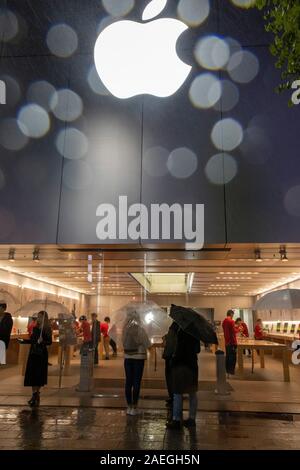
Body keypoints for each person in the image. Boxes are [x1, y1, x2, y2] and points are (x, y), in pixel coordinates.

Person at [167, 326, 201, 429]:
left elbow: (176, 349)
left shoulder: (179, 331)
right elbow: (198, 350)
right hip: (192, 365)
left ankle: (177, 420)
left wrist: (172, 359)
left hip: (180, 364)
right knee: (192, 393)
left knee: (177, 393)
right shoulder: (195, 332)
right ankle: (192, 419)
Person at [122, 311, 151, 416]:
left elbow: (122, 343)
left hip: (128, 358)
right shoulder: (140, 330)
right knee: (136, 382)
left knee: (128, 381)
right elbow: (147, 344)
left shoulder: (125, 330)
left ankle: (129, 406)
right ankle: (135, 407)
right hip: (139, 358)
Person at [21, 311, 52, 407]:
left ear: (44, 318)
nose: (38, 318)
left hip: (41, 354)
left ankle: (36, 394)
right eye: (38, 317)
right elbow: (33, 340)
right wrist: (24, 341)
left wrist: (42, 341)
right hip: (33, 353)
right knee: (32, 374)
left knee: (39, 375)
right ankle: (35, 394)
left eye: (40, 317)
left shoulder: (47, 329)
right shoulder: (35, 328)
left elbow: (49, 342)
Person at [162, 322, 180, 421]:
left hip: (171, 356)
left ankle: (173, 397)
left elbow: (172, 343)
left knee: (170, 377)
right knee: (170, 377)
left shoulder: (175, 328)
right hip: (171, 356)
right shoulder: (175, 328)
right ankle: (172, 396)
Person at [222, 310, 237, 376]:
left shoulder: (224, 321)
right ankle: (231, 371)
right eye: (233, 315)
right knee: (233, 357)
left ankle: (227, 370)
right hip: (232, 342)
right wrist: (239, 329)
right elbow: (233, 332)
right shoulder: (231, 321)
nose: (233, 316)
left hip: (227, 342)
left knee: (228, 356)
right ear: (231, 314)